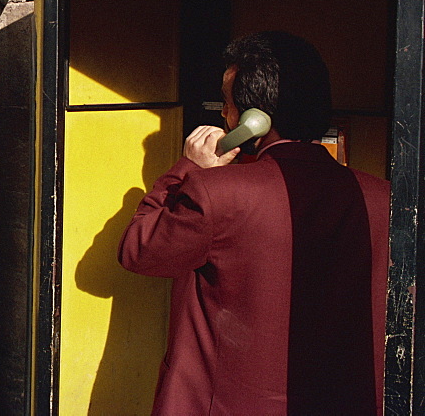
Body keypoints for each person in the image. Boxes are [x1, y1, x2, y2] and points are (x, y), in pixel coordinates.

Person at [118, 31, 389, 415]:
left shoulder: (216, 194)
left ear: (253, 121)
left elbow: (139, 251)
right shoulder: (383, 199)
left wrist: (187, 170)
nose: (223, 117)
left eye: (227, 106)